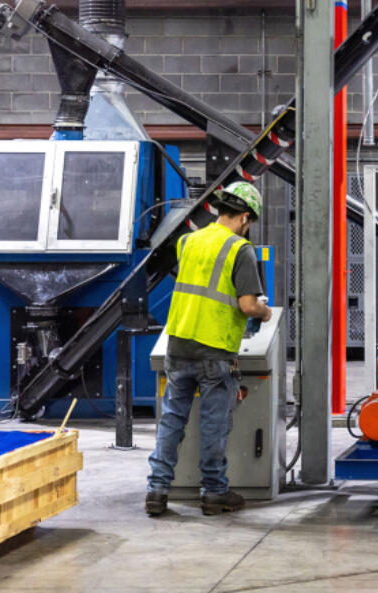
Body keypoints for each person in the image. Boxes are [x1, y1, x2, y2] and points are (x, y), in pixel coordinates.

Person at [145, 181, 274, 517]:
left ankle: (157, 491)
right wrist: (265, 311)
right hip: (214, 350)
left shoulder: (189, 241)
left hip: (179, 342)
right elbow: (247, 305)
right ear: (245, 217)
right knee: (214, 423)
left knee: (172, 419)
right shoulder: (239, 249)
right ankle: (214, 493)